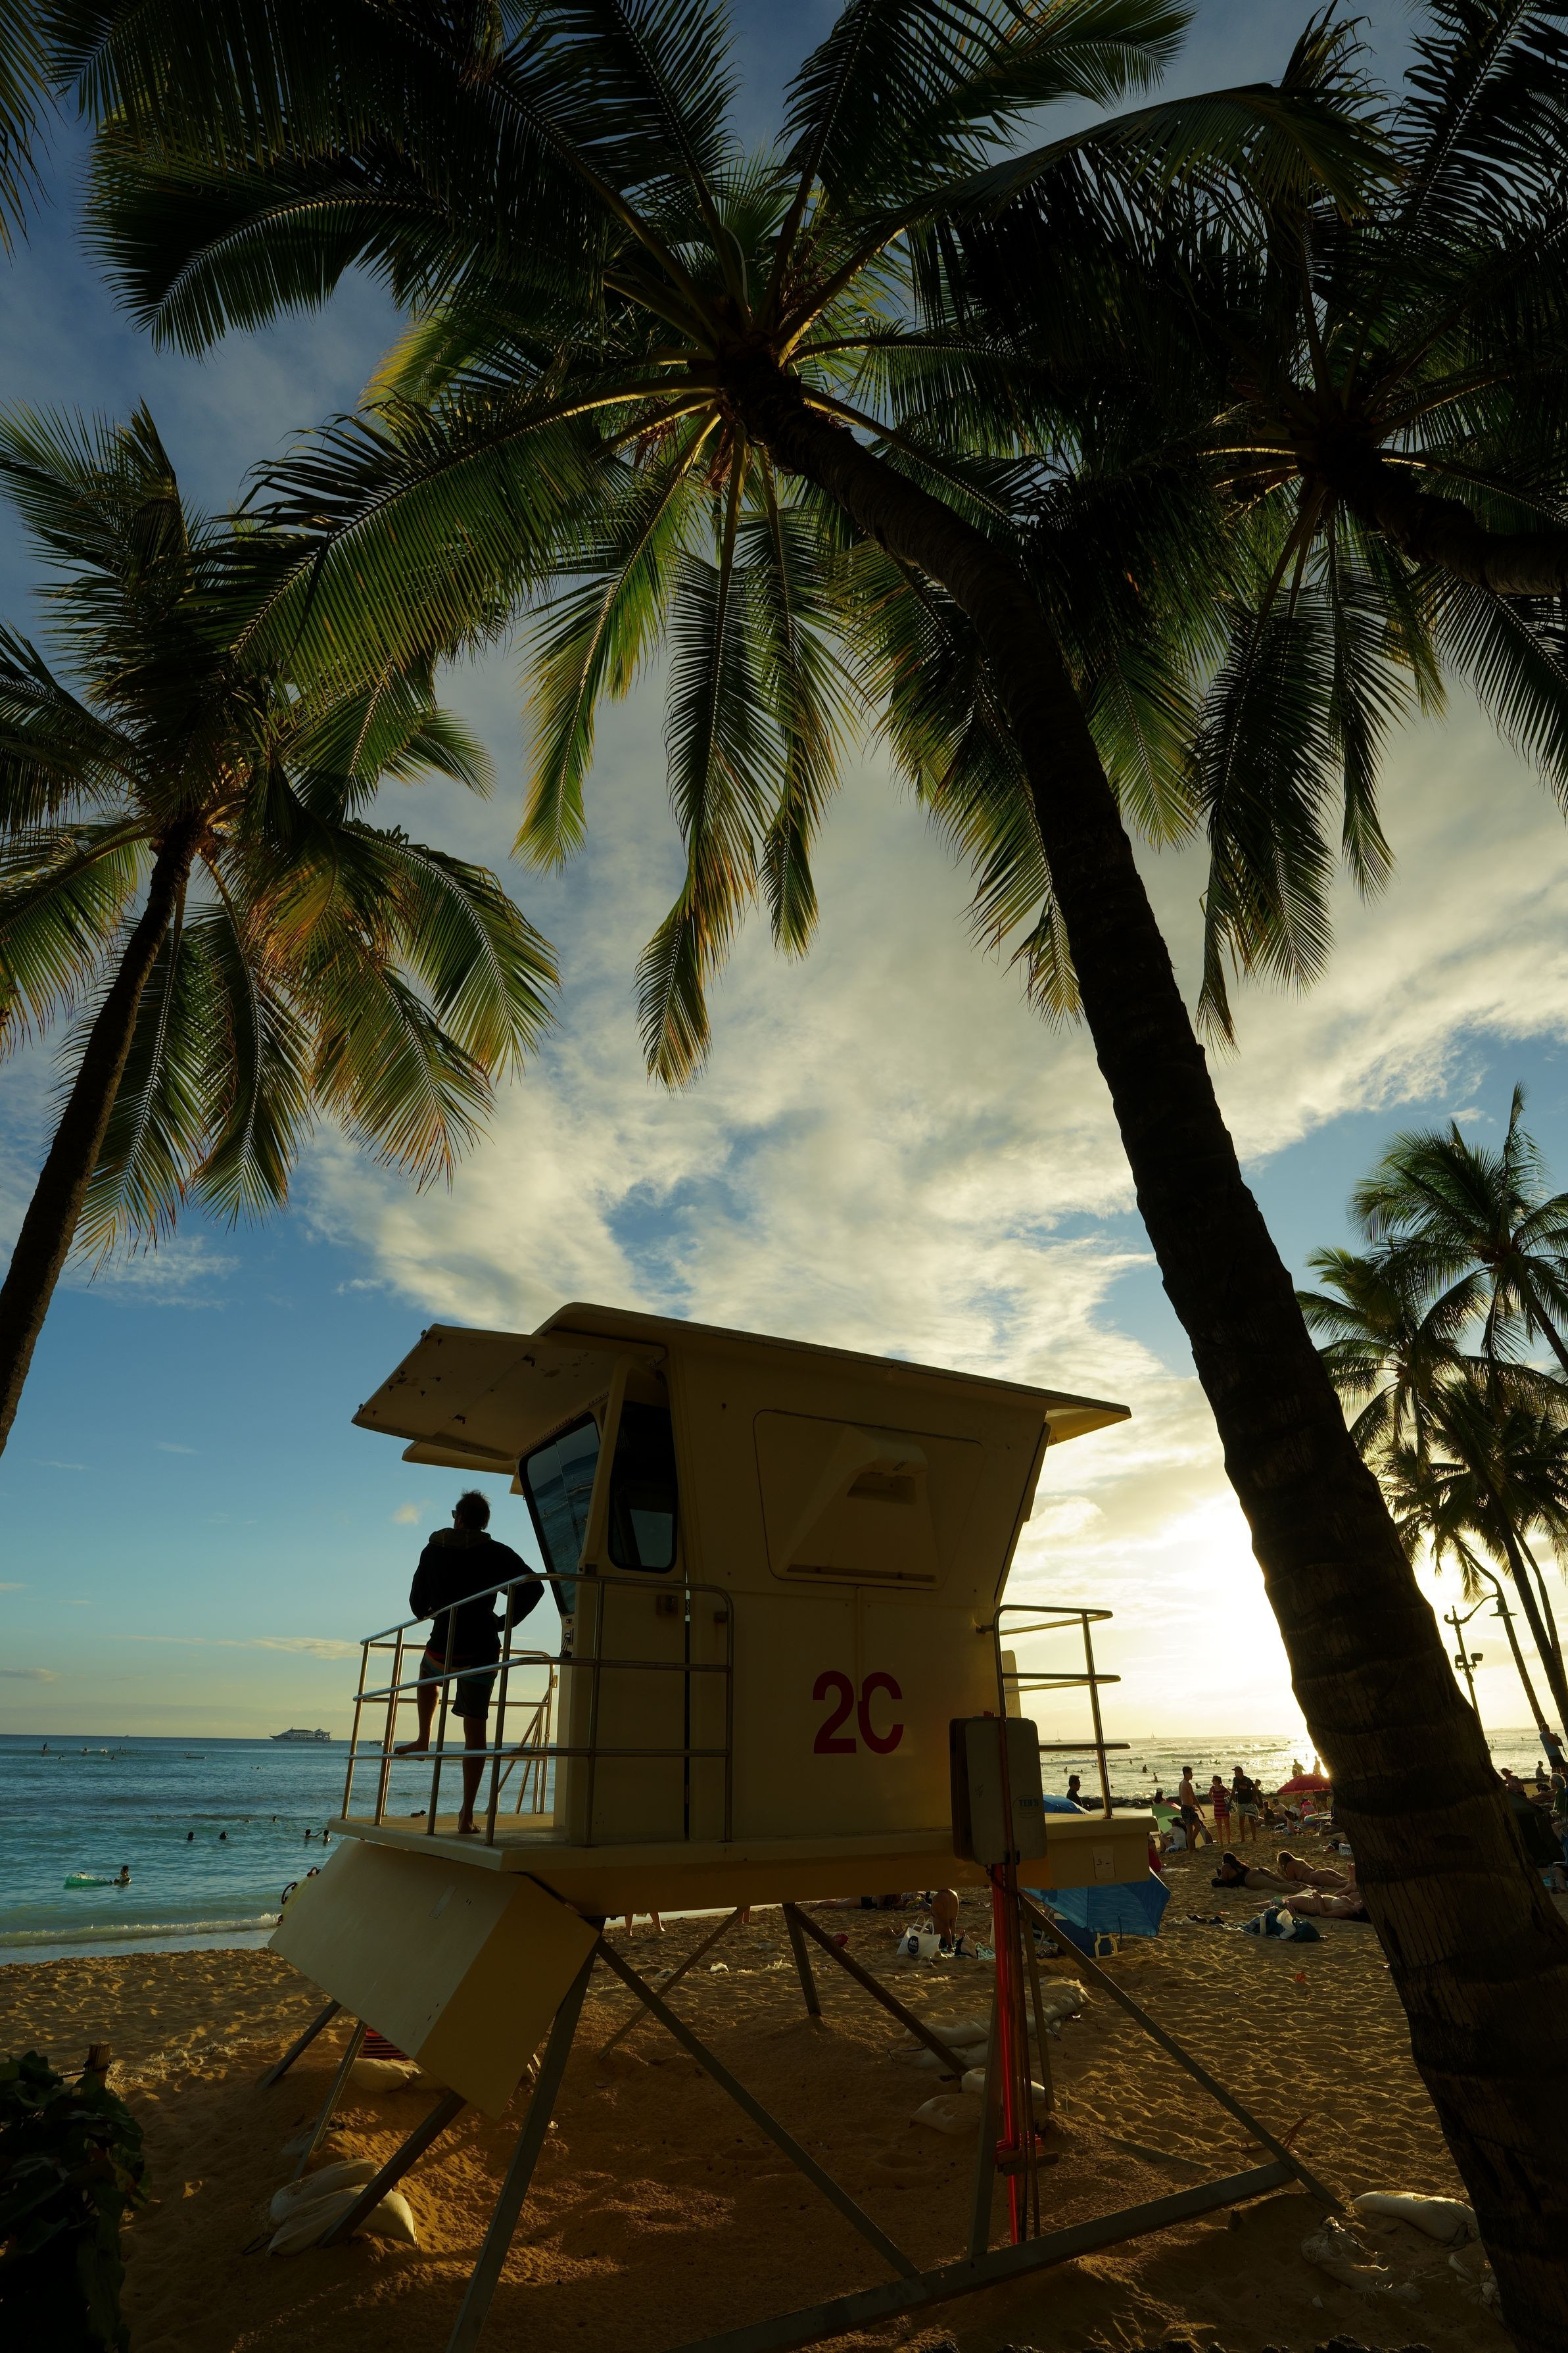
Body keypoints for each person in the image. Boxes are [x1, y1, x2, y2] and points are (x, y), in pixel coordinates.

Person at [396, 1489, 540, 1834]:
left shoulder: (433, 1549)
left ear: (458, 1518)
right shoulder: (495, 1552)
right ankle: (466, 1816)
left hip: (444, 1646)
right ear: (483, 1523)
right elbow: (533, 1587)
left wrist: (432, 1611)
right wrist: (503, 1622)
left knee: (427, 1672)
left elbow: (417, 1603)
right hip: (481, 1650)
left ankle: (423, 1737)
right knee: (475, 1731)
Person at [1212, 1849, 1289, 1891]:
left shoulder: (1226, 1866)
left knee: (1277, 1886)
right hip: (1259, 1870)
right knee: (1286, 1883)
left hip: (1250, 1877)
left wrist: (1220, 1875)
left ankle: (1296, 1891)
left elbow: (1224, 1881)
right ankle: (1297, 1887)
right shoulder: (1239, 1864)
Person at [1177, 1766, 1213, 1848]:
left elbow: (1180, 1798)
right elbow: (1194, 1797)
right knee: (1191, 1829)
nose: (1192, 1775)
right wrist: (1200, 1810)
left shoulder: (1181, 1783)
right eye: (1191, 1773)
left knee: (1196, 1827)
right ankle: (1191, 1847)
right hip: (1187, 1809)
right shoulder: (1187, 1784)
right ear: (1186, 1774)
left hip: (1185, 1808)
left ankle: (1191, 1846)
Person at [1275, 1849, 1346, 1889]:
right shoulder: (1299, 1861)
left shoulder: (1290, 1865)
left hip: (1316, 1877)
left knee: (1340, 1884)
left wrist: (1282, 1874)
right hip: (1320, 1872)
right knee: (1347, 1881)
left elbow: (1292, 1882)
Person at [1231, 1768, 1260, 1843]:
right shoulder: (1235, 1780)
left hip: (1249, 1802)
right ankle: (1243, 1839)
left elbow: (1255, 1790)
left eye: (1236, 1772)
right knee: (1241, 1821)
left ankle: (1254, 1838)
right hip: (1241, 1803)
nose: (1235, 1773)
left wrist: (1254, 1799)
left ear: (1240, 1772)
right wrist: (1230, 1801)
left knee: (1251, 1820)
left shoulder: (1247, 1780)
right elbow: (1233, 1791)